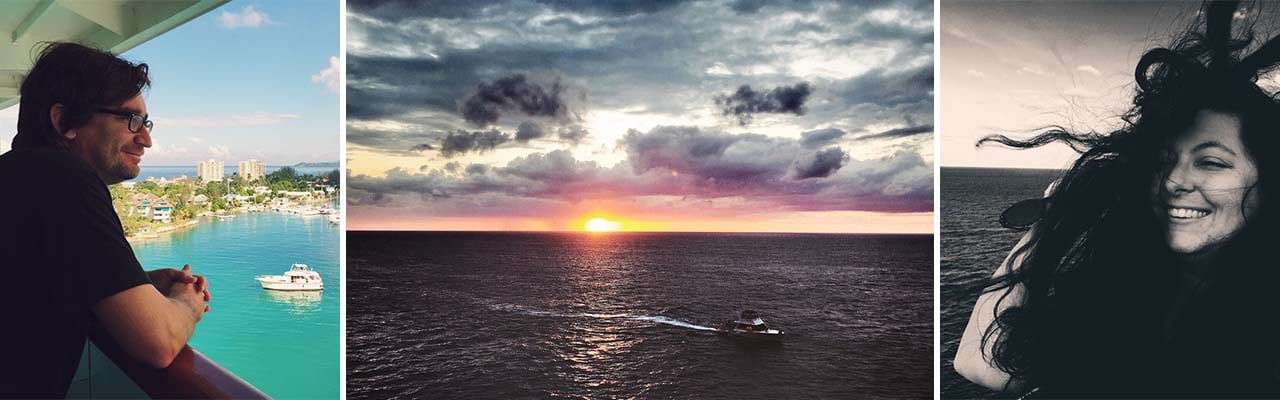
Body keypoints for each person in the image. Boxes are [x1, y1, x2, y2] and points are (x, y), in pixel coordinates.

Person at [955, 1, 1280, 396]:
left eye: (1210, 163)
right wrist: (1053, 220)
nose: (1175, 180)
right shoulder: (1127, 286)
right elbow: (981, 365)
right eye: (1163, 161)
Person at [0, 42, 211, 397]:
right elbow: (157, 341)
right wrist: (187, 303)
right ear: (65, 121)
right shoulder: (62, 178)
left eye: (147, 123)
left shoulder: (15, 174)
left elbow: (29, 287)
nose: (146, 140)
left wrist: (132, 283)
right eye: (132, 120)